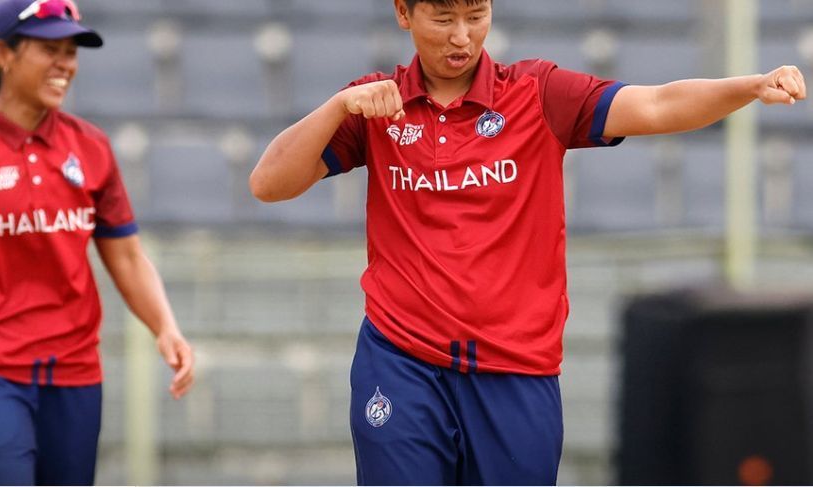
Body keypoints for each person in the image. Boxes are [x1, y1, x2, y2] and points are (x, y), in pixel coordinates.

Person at [249, 0, 806, 484]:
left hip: (516, 372)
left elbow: (657, 104)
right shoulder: (376, 106)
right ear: (404, 13)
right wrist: (336, 108)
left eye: (476, 15)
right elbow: (268, 184)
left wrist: (751, 86)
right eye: (443, 18)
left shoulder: (539, 93)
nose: (461, 36)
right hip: (401, 361)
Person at [0, 0, 195, 484]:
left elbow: (127, 256)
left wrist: (165, 327)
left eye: (71, 51)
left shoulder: (90, 147)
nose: (65, 63)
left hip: (74, 373)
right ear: (4, 53)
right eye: (50, 49)